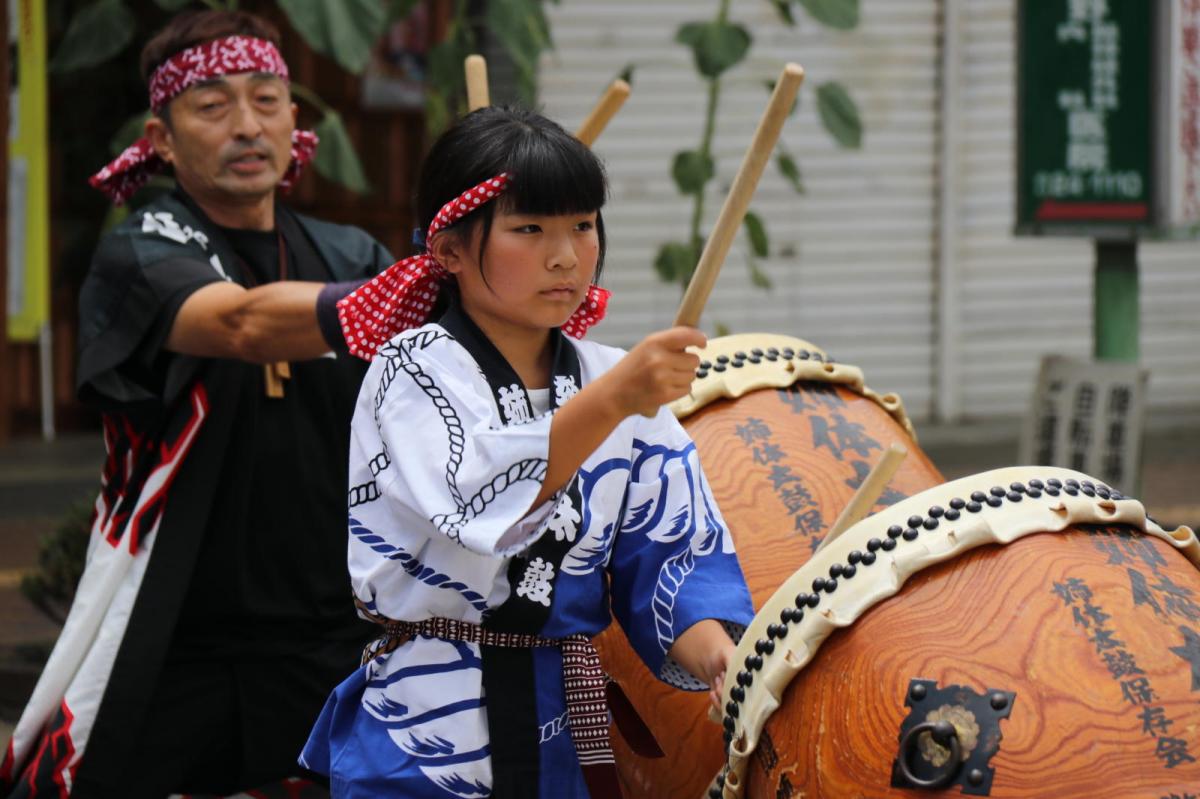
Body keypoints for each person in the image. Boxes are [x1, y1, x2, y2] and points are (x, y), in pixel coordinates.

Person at [298, 106, 755, 798]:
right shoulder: (411, 368)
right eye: (530, 228)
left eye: (582, 224)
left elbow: (670, 558)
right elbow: (467, 498)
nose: (566, 255)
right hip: (421, 730)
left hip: (557, 727)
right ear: (448, 249)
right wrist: (616, 399)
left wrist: (724, 659)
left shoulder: (614, 382)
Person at [3, 11, 393, 798]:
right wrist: (395, 297)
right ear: (161, 138)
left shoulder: (350, 255)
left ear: (294, 120)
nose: (247, 124)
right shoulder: (140, 248)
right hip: (173, 629)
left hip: (332, 629)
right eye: (212, 106)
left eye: (267, 99)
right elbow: (243, 324)